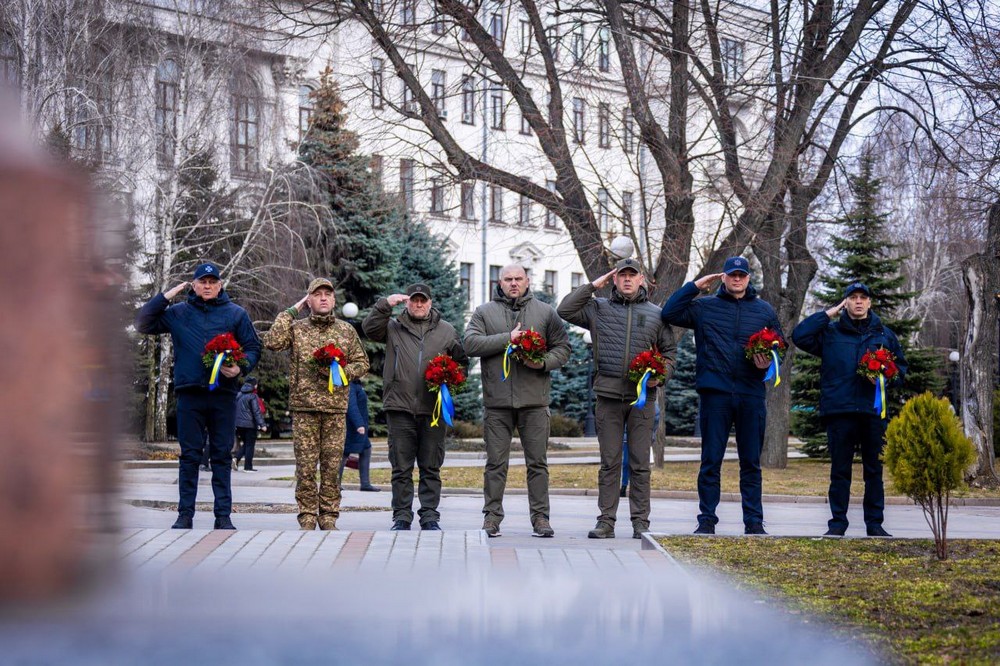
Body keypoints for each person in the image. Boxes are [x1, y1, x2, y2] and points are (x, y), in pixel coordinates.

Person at [661, 256, 782, 535]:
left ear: (748, 278)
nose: (737, 279)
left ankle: (753, 521)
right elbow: (670, 313)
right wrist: (694, 286)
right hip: (715, 393)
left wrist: (769, 362)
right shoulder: (705, 307)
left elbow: (780, 346)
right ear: (724, 278)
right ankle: (707, 519)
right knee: (711, 459)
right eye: (732, 275)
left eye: (741, 275)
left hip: (751, 394)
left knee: (750, 461)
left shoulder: (764, 311)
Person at [136, 262, 261, 530]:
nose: (207, 286)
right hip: (190, 394)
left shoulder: (236, 314)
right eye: (202, 281)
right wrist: (167, 295)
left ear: (220, 285)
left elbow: (253, 347)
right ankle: (185, 515)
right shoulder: (179, 313)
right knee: (190, 456)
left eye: (212, 281)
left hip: (223, 396)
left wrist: (241, 367)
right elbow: (143, 322)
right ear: (193, 285)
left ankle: (223, 516)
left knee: (221, 456)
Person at [558, 258, 676, 539]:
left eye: (631, 275)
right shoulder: (598, 308)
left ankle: (640, 523)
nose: (626, 280)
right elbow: (565, 309)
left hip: (642, 399)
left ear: (641, 279)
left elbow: (670, 353)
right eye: (621, 275)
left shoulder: (657, 314)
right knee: (609, 462)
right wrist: (592, 285)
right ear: (614, 279)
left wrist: (662, 375)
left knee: (639, 463)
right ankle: (606, 522)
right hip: (608, 397)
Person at [791, 282, 907, 537]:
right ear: (845, 302)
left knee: (873, 471)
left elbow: (901, 372)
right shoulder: (830, 333)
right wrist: (828, 313)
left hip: (872, 412)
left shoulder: (884, 335)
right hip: (840, 411)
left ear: (869, 302)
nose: (858, 302)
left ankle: (874, 524)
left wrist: (885, 379)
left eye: (862, 298)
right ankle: (837, 524)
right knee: (840, 471)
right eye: (852, 297)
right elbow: (799, 336)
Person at [464, 265, 571, 538]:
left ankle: (541, 519)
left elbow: (563, 348)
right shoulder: (484, 312)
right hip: (497, 403)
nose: (513, 283)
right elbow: (470, 344)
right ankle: (491, 518)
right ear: (500, 282)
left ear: (527, 281)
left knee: (538, 464)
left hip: (535, 403)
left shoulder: (545, 312)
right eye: (508, 279)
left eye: (518, 279)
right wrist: (507, 339)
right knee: (495, 464)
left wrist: (542, 363)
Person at [263, 278, 369, 531]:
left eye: (327, 295)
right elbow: (272, 341)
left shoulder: (345, 330)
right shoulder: (298, 329)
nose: (323, 298)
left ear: (333, 301)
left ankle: (329, 516)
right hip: (304, 409)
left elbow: (362, 363)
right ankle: (308, 516)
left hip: (334, 409)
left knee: (332, 467)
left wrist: (342, 371)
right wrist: (290, 312)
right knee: (306, 467)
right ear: (308, 300)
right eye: (317, 294)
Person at [362, 283, 468, 530]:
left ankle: (430, 516)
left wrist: (451, 378)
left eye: (423, 301)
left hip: (433, 409)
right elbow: (369, 329)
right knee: (401, 466)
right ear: (408, 302)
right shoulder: (393, 327)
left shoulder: (446, 331)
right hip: (399, 407)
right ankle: (402, 516)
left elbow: (461, 363)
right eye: (414, 301)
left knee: (431, 466)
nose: (419, 305)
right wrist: (384, 305)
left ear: (430, 303)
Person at [339, 378, 380, 492]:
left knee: (366, 449)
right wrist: (359, 424)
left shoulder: (356, 384)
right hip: (353, 426)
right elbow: (351, 405)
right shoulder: (351, 385)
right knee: (345, 452)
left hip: (357, 426)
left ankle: (365, 484)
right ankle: (335, 484)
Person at [234, 377, 267, 472]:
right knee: (250, 445)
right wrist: (262, 424)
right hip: (250, 424)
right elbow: (256, 411)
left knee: (246, 444)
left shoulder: (239, 394)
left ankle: (236, 458)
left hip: (239, 424)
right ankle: (248, 467)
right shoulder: (253, 396)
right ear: (254, 385)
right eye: (256, 384)